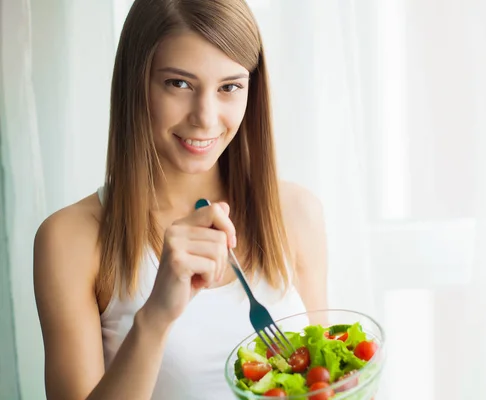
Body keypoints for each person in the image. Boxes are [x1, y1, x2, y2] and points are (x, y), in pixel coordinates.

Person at [32, 0, 328, 399]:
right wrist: (154, 317)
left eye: (229, 87)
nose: (205, 117)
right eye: (180, 84)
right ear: (136, 82)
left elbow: (328, 380)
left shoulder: (296, 214)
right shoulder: (70, 239)